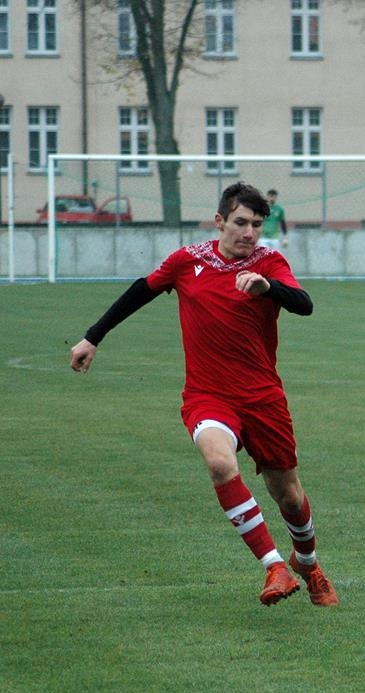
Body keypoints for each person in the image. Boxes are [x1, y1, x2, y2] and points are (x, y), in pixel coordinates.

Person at [68, 182, 338, 606]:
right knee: (218, 462)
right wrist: (92, 337)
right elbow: (141, 291)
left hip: (263, 398)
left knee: (288, 494)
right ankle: (274, 567)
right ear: (219, 221)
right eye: (241, 223)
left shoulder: (269, 263)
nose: (249, 233)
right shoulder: (187, 261)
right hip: (208, 396)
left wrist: (268, 288)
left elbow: (304, 304)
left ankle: (308, 562)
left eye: (256, 224)